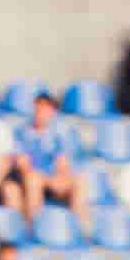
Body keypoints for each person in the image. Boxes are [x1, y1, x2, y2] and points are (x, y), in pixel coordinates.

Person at [18, 93, 87, 222]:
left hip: (54, 176)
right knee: (33, 180)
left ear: (52, 112)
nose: (41, 113)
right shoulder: (22, 132)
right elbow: (24, 166)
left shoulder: (62, 132)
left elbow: (63, 162)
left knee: (80, 181)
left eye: (45, 110)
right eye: (38, 109)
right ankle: (34, 226)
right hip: (35, 177)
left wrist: (59, 179)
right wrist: (48, 180)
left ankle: (79, 228)